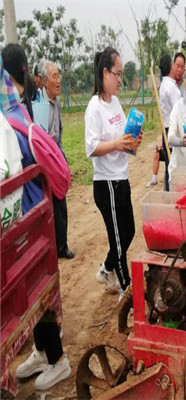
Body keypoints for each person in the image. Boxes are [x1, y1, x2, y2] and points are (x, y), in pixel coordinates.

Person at [0, 51, 72, 391]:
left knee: (35, 290)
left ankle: (57, 359)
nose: (56, 81)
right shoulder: (21, 107)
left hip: (28, 220)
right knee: (32, 292)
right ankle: (43, 351)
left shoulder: (12, 116)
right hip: (31, 216)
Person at [85, 47, 142, 300]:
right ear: (105, 73)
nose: (120, 80)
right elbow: (91, 147)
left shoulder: (116, 103)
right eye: (117, 74)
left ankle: (106, 269)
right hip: (106, 184)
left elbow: (122, 138)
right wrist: (117, 145)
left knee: (128, 231)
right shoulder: (94, 108)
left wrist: (131, 141)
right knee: (118, 240)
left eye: (121, 75)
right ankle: (126, 289)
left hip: (122, 177)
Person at [39, 61, 75, 259]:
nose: (58, 80)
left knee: (60, 200)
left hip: (55, 156)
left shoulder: (58, 103)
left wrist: (63, 160)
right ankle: (47, 248)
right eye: (54, 76)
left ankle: (62, 246)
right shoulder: (38, 103)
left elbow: (58, 134)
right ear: (45, 81)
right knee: (45, 204)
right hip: (42, 158)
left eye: (58, 75)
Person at [147, 54, 183, 190]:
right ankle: (171, 192)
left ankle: (168, 191)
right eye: (176, 65)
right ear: (171, 67)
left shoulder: (164, 85)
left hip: (166, 130)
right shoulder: (172, 88)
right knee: (174, 164)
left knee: (170, 164)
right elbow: (178, 113)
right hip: (173, 130)